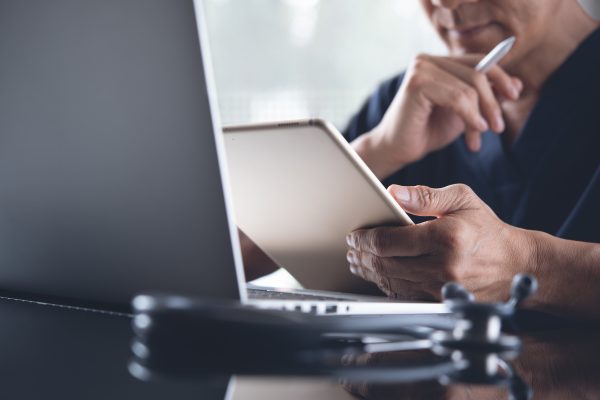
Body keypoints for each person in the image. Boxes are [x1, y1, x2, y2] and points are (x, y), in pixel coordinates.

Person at [343, 0, 600, 319]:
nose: (443, 3)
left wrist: (527, 267)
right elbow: (259, 256)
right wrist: (379, 148)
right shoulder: (407, 100)